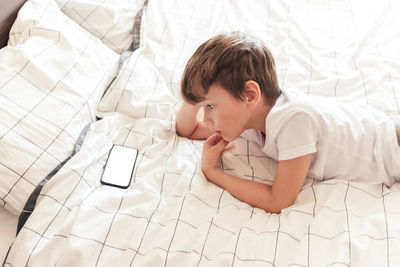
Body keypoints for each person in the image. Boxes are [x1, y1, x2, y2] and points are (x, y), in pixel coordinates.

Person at [175, 31, 400, 213]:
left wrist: (213, 172)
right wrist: (195, 91)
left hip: (393, 147)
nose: (206, 118)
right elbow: (188, 128)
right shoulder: (248, 117)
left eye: (210, 106)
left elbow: (278, 200)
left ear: (250, 95)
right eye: (204, 107)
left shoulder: (294, 121)